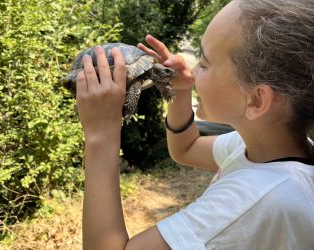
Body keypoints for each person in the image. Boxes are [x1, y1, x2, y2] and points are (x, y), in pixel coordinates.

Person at [76, 0, 314, 249]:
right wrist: (180, 90)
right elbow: (186, 148)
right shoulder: (265, 151)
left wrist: (100, 136)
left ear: (256, 100)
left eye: (205, 63)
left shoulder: (253, 200)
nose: (193, 70)